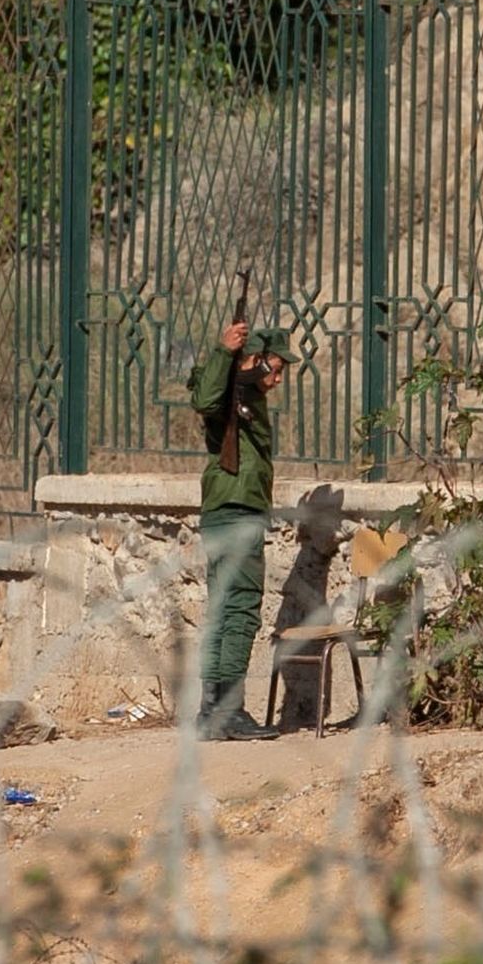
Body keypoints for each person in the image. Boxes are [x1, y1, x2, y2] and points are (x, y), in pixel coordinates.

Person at [188, 317, 298, 741]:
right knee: (240, 610)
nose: (280, 374)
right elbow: (206, 399)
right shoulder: (229, 390)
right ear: (255, 360)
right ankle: (229, 709)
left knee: (223, 608)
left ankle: (211, 711)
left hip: (226, 510)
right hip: (235, 512)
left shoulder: (246, 393)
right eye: (276, 364)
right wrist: (223, 351)